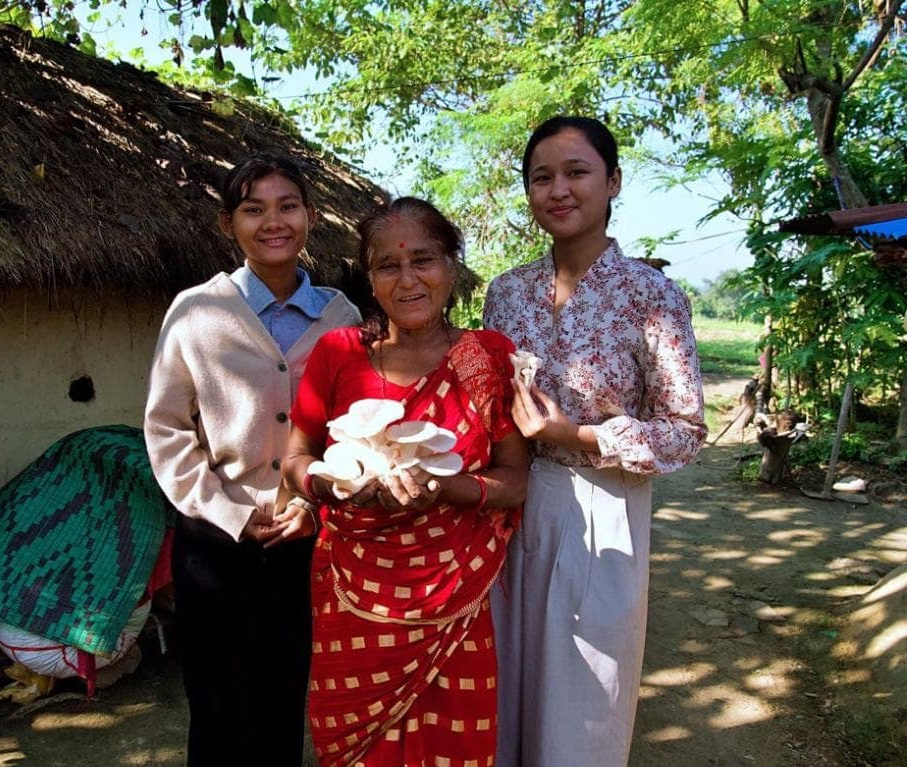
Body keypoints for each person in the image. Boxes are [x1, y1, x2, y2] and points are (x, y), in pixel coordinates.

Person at [484, 116, 707, 767]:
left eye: (576, 172)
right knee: (507, 689)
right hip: (514, 511)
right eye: (541, 176)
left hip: (606, 507)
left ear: (613, 180)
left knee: (582, 703)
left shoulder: (653, 296)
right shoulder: (506, 294)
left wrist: (576, 434)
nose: (558, 189)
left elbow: (684, 432)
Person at [282, 197, 530, 766]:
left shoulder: (486, 358)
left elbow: (515, 481)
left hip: (456, 598)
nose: (408, 279)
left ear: (451, 266)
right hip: (355, 596)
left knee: (456, 743)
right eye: (389, 266)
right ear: (370, 278)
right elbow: (296, 459)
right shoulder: (338, 353)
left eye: (424, 259)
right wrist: (333, 485)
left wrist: (447, 488)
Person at [143, 152, 361, 766]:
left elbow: (353, 432)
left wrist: (316, 505)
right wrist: (227, 512)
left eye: (287, 206)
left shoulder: (341, 317)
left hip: (310, 537)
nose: (273, 222)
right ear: (227, 224)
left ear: (311, 217)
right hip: (216, 540)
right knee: (218, 699)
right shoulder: (195, 313)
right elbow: (166, 429)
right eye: (253, 209)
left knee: (288, 692)